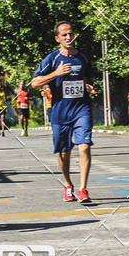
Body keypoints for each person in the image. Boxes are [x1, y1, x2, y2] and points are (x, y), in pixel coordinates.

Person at [31, 21, 96, 203]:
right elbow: (35, 83)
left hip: (82, 109)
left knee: (84, 146)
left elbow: (87, 78)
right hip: (60, 112)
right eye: (64, 35)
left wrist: (89, 86)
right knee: (64, 152)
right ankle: (68, 185)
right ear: (57, 38)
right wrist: (56, 73)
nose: (69, 37)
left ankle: (83, 189)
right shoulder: (51, 59)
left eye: (71, 34)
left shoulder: (83, 58)